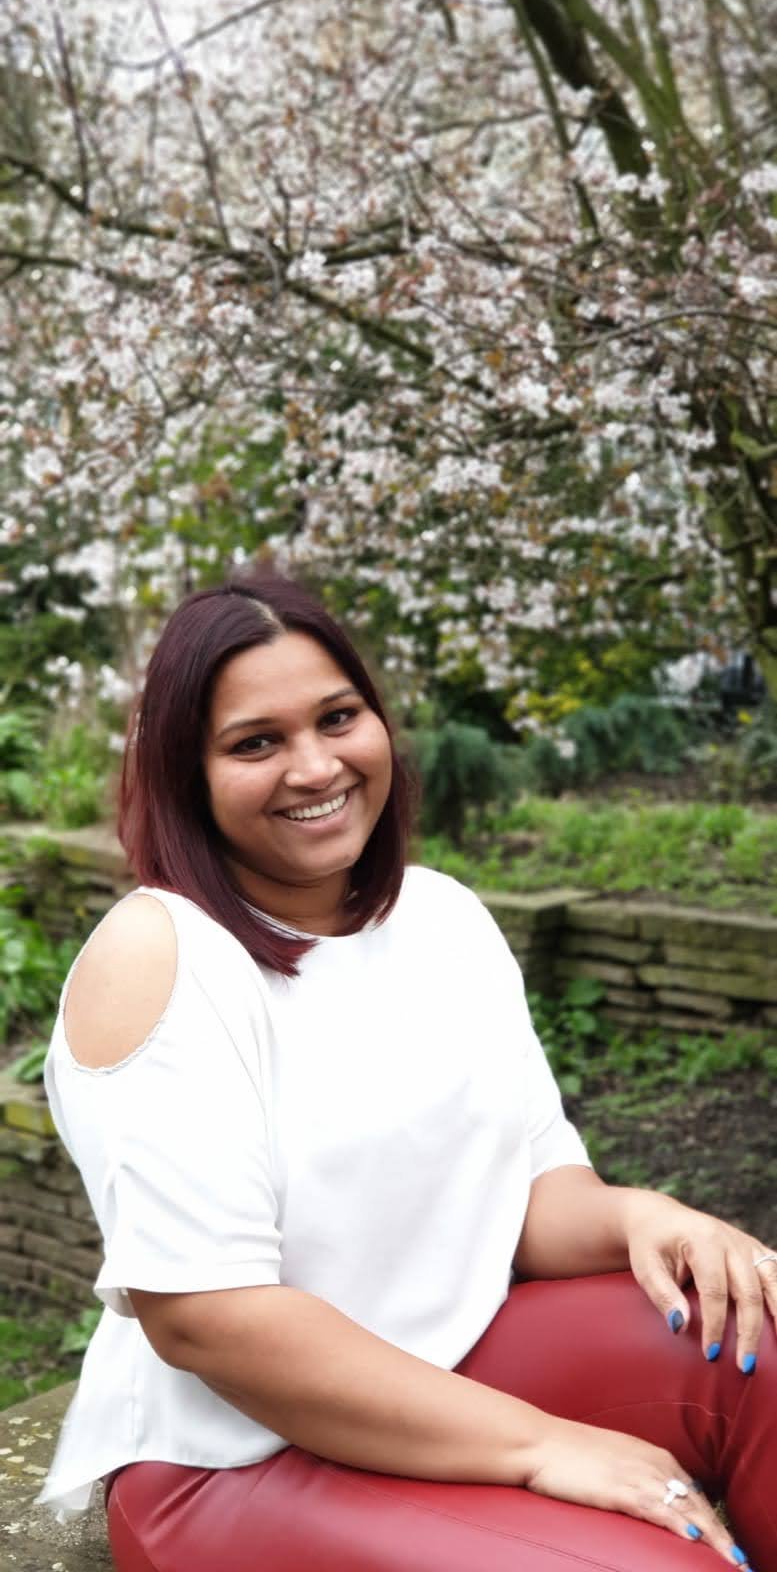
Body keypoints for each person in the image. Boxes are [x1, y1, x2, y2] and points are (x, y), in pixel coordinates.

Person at [39, 569, 777, 1572]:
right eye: (255, 743)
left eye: (337, 717)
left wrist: (649, 1217)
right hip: (234, 1455)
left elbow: (530, 1192)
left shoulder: (441, 917)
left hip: (453, 1361)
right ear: (185, 774)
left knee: (763, 1336)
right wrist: (543, 1445)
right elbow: (210, 1323)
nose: (315, 766)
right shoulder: (163, 955)